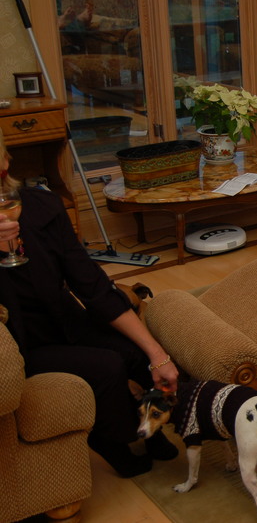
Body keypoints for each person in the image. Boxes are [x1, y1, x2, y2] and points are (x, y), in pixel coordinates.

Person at [0, 130, 179, 478]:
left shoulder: (43, 206)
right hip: (21, 341)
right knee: (107, 367)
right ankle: (116, 440)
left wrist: (158, 354)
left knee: (135, 352)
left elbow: (91, 284)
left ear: (6, 162)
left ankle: (150, 424)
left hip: (63, 317)